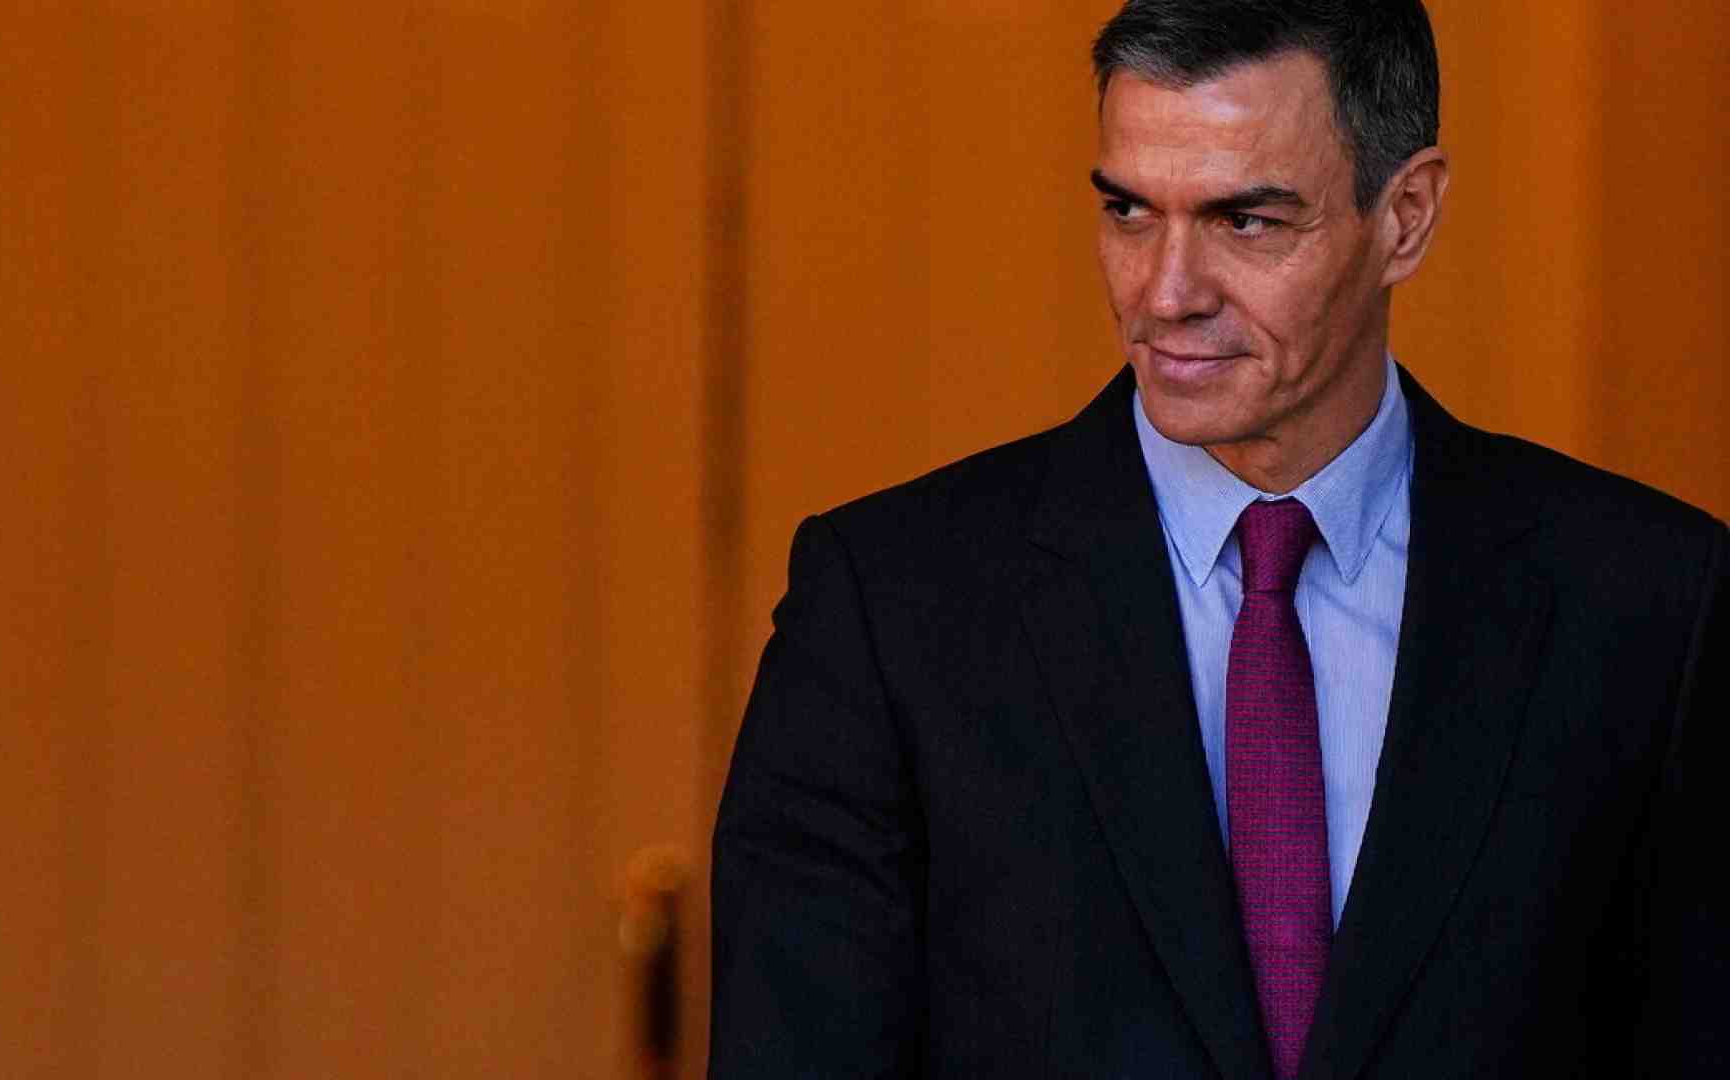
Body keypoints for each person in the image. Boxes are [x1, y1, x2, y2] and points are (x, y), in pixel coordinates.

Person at [708, 0, 1726, 1076]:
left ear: (1407, 215)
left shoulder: (1649, 605)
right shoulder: (890, 610)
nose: (1165, 294)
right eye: (1129, 212)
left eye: (1246, 222)